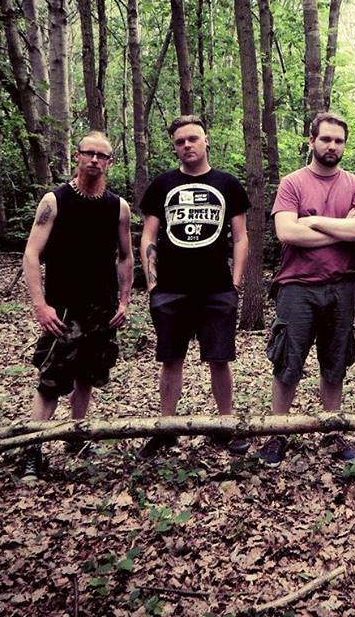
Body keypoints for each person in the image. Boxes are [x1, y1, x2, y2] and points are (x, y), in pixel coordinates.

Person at [258, 112, 355, 467]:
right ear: (312, 141)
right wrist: (340, 229)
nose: (332, 146)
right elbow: (287, 233)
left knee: (335, 363)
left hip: (341, 286)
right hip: (296, 287)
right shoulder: (292, 183)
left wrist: (314, 221)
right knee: (287, 362)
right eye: (326, 139)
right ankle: (278, 433)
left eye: (339, 141)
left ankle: (332, 431)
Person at [21, 131, 134, 480]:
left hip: (101, 308)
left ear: (110, 162)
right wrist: (41, 306)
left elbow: (126, 257)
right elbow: (31, 254)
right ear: (78, 156)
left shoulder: (118, 207)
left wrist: (124, 301)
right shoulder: (54, 201)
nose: (95, 160)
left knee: (87, 376)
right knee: (51, 382)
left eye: (102, 156)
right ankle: (32, 450)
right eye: (89, 153)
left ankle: (77, 438)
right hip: (63, 308)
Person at [139, 115, 250, 457]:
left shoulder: (228, 184)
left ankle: (226, 426)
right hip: (171, 289)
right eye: (180, 141)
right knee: (171, 359)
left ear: (206, 141)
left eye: (193, 139)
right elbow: (149, 235)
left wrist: (235, 284)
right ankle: (166, 428)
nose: (187, 145)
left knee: (220, 359)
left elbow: (241, 237)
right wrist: (153, 284)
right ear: (175, 147)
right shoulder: (162, 184)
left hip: (217, 289)